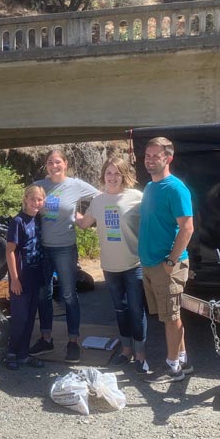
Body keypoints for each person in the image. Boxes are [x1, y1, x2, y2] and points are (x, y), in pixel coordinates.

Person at [78, 156, 149, 374]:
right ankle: (125, 350)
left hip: (134, 263)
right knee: (120, 309)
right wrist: (63, 208)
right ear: (103, 176)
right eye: (108, 173)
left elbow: (153, 222)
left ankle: (140, 355)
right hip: (109, 266)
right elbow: (83, 224)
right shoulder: (98, 201)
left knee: (137, 310)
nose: (112, 177)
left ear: (124, 175)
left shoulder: (137, 197)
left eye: (117, 173)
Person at [30, 149, 99, 363]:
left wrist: (81, 218)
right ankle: (46, 338)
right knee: (43, 294)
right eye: (50, 162)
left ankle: (73, 342)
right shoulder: (41, 185)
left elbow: (99, 196)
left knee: (69, 295)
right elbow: (29, 205)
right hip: (42, 249)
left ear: (65, 164)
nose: (54, 166)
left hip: (64, 249)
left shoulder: (75, 185)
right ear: (46, 166)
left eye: (57, 162)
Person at [138, 137, 195, 384]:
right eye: (147, 156)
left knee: (171, 318)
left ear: (168, 158)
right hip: (151, 265)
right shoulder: (150, 187)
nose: (150, 160)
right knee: (170, 316)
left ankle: (173, 368)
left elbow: (187, 228)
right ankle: (182, 360)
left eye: (156, 156)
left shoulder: (175, 188)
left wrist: (171, 262)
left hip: (167, 266)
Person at [5, 185, 46, 370]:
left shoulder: (38, 220)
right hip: (20, 278)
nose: (36, 203)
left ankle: (23, 354)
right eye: (32, 199)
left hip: (35, 276)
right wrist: (14, 279)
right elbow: (10, 251)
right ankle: (11, 353)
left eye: (39, 200)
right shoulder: (18, 221)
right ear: (25, 199)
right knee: (19, 318)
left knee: (30, 317)